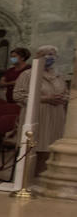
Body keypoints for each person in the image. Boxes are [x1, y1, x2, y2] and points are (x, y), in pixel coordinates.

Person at [16, 45, 70, 175]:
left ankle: (46, 175)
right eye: (46, 54)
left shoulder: (58, 75)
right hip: (37, 114)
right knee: (36, 146)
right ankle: (28, 176)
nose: (49, 57)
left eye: (52, 54)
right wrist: (45, 98)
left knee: (51, 146)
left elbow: (66, 93)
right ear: (38, 56)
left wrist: (63, 98)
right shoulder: (28, 74)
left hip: (56, 115)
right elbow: (18, 95)